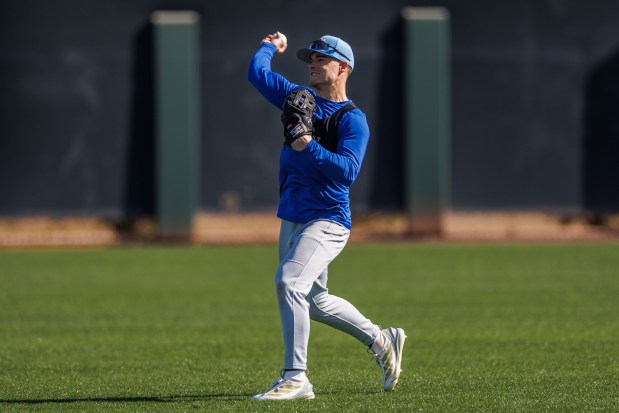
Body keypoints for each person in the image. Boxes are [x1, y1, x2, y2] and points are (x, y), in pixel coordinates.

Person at [247, 32, 406, 401]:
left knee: (289, 283)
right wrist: (270, 46)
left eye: (322, 58)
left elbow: (348, 171)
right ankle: (382, 341)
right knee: (315, 302)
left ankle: (296, 377)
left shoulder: (353, 121)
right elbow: (257, 74)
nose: (313, 64)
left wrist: (308, 144)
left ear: (343, 67)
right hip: (293, 217)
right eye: (311, 59)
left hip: (328, 219)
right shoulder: (298, 98)